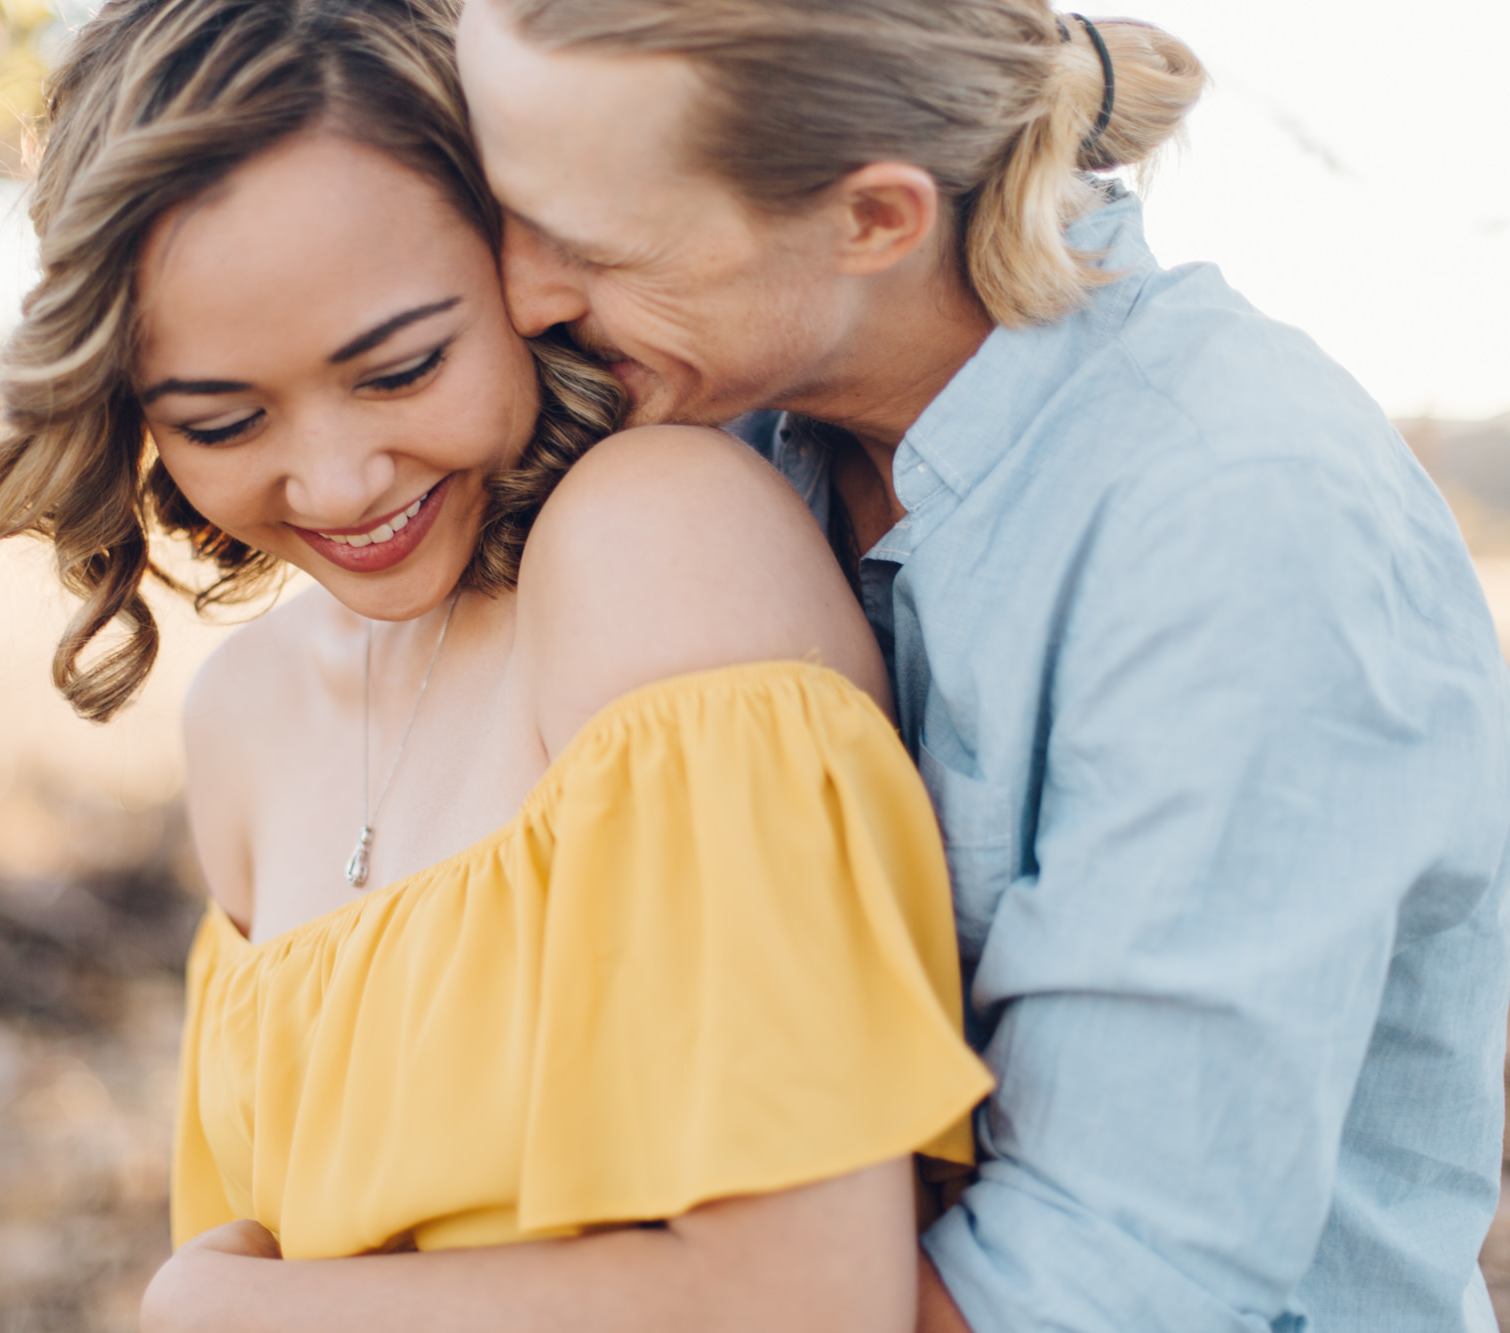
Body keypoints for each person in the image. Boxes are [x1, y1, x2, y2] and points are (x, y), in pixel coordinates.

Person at [452, 2, 1510, 1331]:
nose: (528, 293)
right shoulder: (732, 431)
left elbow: (1103, 1291)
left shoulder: (1239, 519)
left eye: (594, 247)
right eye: (508, 213)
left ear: (876, 221)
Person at [0, 0, 993, 1329]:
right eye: (223, 417)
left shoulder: (655, 549)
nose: (337, 481)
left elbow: (810, 1296)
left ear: (523, 261)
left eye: (402, 368)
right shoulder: (245, 721)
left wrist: (223, 1314)